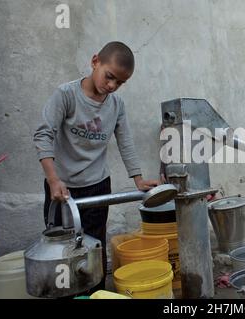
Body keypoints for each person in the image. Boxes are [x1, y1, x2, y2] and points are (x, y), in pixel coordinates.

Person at [33, 41, 160, 291]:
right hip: (62, 188)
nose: (112, 86)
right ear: (95, 62)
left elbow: (125, 142)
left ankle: (96, 293)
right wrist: (52, 179)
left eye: (119, 83)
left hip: (98, 186)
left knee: (94, 246)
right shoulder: (66, 95)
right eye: (109, 76)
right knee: (62, 250)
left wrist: (138, 179)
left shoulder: (116, 106)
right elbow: (43, 135)